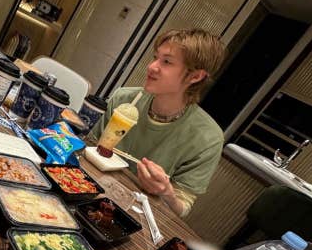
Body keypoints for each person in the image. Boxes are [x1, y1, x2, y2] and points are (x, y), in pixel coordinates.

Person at [89, 29, 227, 216]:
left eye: (167, 62)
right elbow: (89, 147)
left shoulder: (208, 138)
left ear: (195, 76)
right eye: (155, 57)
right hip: (92, 187)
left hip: (136, 214)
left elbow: (182, 206)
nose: (152, 66)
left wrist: (166, 192)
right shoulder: (125, 99)